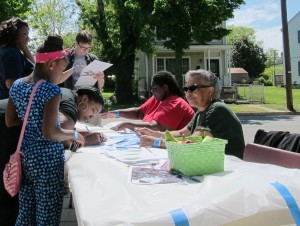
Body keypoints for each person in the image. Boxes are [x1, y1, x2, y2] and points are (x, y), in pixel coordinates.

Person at [5, 33, 85, 225]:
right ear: (51, 65)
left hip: (26, 158)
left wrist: (33, 120)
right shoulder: (51, 91)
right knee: (47, 217)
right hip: (48, 163)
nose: (62, 75)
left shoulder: (16, 86)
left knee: (25, 213)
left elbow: (10, 121)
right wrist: (75, 134)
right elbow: (49, 133)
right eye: (62, 68)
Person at [136, 69, 245, 159]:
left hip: (231, 169)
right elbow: (181, 134)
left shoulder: (217, 109)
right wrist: (152, 133)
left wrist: (155, 142)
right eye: (186, 88)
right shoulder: (201, 112)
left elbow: (190, 143)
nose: (188, 93)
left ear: (210, 91)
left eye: (193, 88)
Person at [100, 71, 195, 131]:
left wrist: (127, 124)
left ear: (165, 87)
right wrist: (115, 113)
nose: (152, 91)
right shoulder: (158, 98)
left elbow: (157, 128)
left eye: (154, 88)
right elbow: (139, 113)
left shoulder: (175, 103)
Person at [0, 17, 35, 100]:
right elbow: (11, 83)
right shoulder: (12, 53)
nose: (28, 38)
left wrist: (24, 46)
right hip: (12, 104)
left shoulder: (8, 50)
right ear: (14, 34)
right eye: (25, 34)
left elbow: (34, 65)